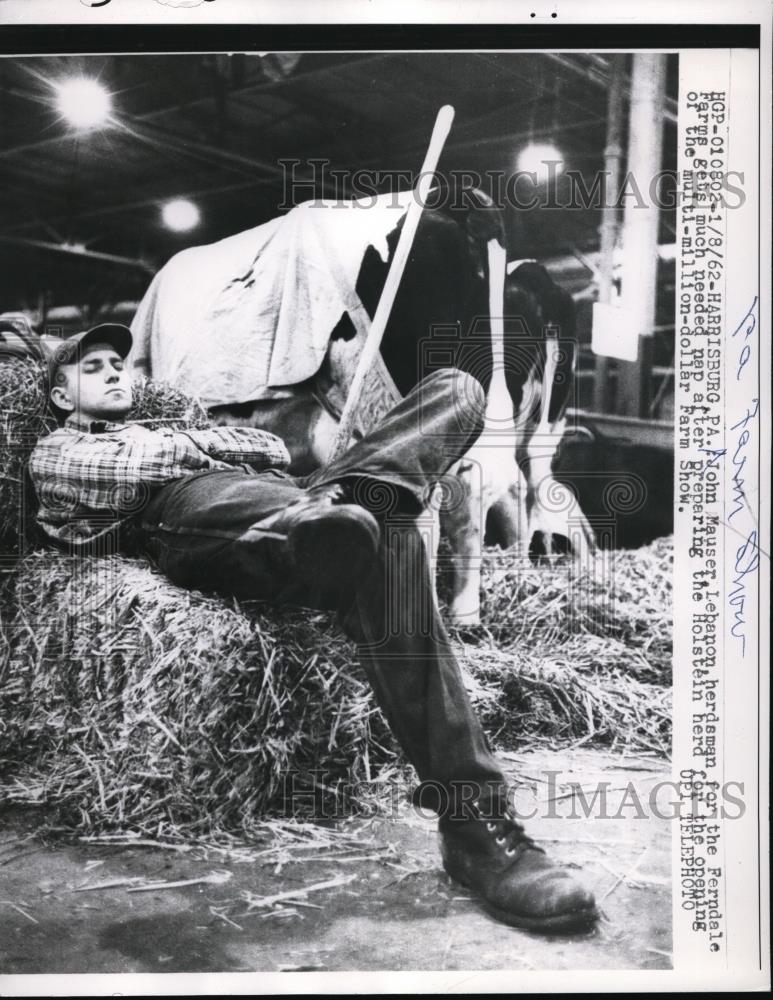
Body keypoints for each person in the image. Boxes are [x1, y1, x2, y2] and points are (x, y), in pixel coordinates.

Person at [29, 322, 598, 934]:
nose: (115, 371)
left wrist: (237, 450)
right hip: (195, 516)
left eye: (119, 362)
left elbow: (273, 451)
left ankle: (344, 515)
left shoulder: (168, 430)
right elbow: (145, 466)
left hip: (300, 494)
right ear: (61, 398)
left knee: (456, 391)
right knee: (385, 530)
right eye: (93, 368)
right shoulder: (57, 450)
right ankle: (476, 828)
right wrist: (217, 447)